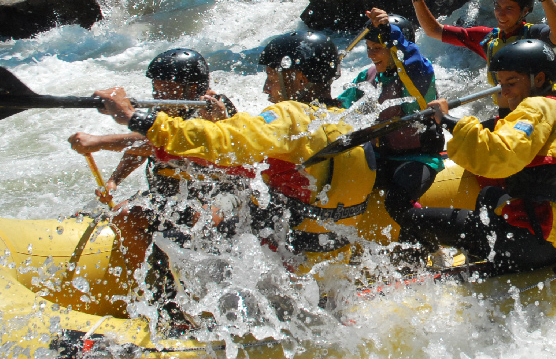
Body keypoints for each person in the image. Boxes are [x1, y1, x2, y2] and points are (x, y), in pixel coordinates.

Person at [91, 30, 376, 258]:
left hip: (288, 256)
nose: (266, 88)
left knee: (215, 216)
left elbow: (224, 144)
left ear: (297, 77)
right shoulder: (347, 117)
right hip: (332, 252)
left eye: (271, 77)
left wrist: (132, 116)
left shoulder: (289, 116)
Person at [400, 39, 556, 272]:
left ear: (539, 79)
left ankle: (407, 285)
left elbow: (500, 153)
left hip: (532, 238)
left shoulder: (537, 107)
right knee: (490, 195)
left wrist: (447, 120)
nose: (504, 91)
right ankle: (480, 267)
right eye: (501, 83)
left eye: (511, 82)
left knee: (412, 220)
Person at [404, 0, 556, 117]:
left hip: (544, 113)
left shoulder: (534, 36)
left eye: (509, 8)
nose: (500, 13)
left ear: (525, 11)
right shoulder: (487, 38)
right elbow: (434, 30)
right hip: (509, 116)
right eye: (498, 6)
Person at [67, 48, 236, 202]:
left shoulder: (214, 109)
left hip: (214, 196)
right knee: (123, 212)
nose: (158, 96)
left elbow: (157, 141)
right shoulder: (165, 107)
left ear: (192, 89)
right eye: (155, 89)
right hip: (169, 194)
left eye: (166, 89)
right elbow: (138, 150)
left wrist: (99, 142)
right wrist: (114, 181)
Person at [333, 9, 444, 222]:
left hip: (418, 158)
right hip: (381, 157)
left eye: (377, 49)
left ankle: (433, 249)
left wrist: (389, 31)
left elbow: (410, 56)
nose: (371, 54)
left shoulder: (419, 74)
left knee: (396, 202)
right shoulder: (368, 76)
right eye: (368, 48)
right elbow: (340, 107)